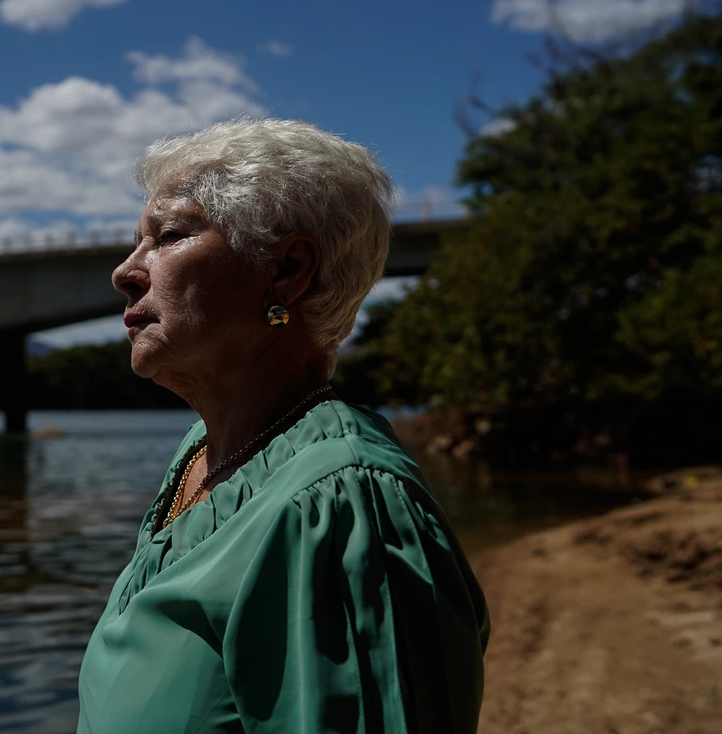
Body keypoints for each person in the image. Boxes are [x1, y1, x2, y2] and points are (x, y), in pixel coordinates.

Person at [77, 118, 490, 733]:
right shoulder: (206, 453)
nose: (125, 271)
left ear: (287, 271)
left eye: (167, 237)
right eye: (138, 242)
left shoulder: (343, 505)